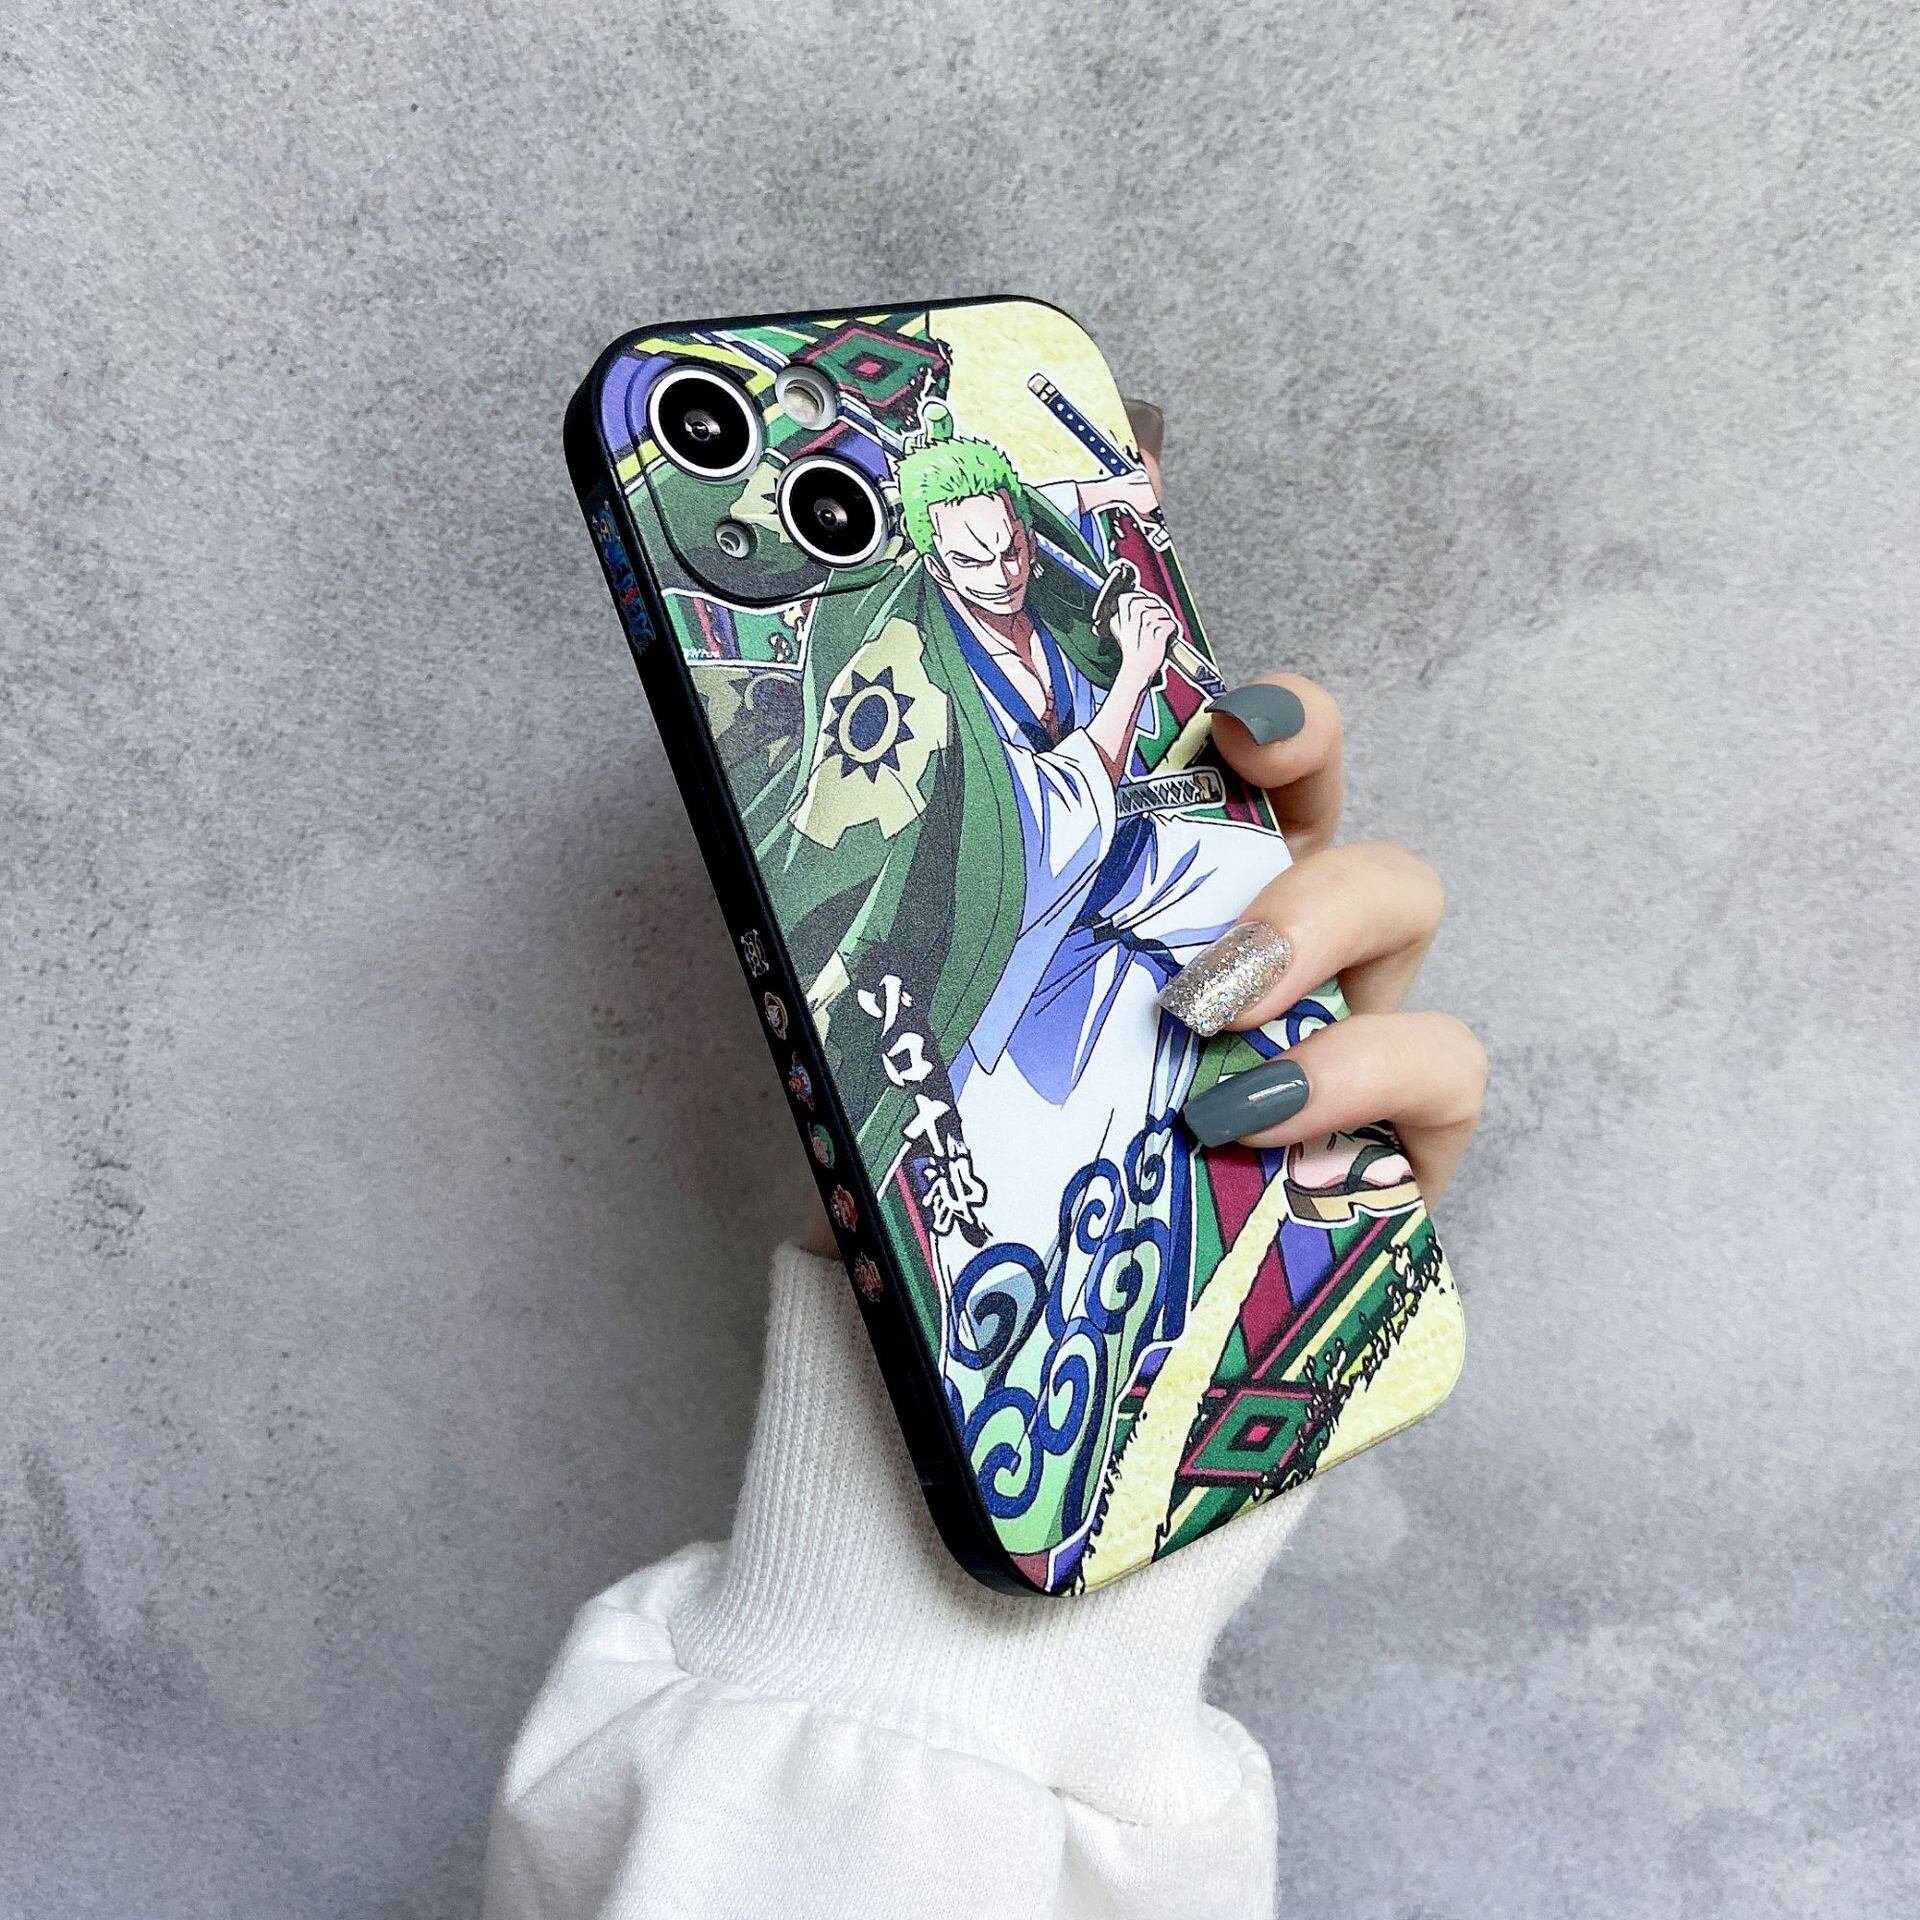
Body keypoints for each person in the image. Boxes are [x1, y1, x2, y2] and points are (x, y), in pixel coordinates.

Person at [481, 403, 1488, 1918]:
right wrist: (897, 1649)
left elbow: (1110, 821)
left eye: (1005, 538)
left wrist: (1093, 1672)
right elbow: (1031, 837)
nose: (997, 566)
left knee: (1236, 896)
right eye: (962, 554)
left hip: (1104, 986)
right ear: (932, 571)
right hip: (1022, 1007)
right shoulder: (940, 683)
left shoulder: (1045, 643)